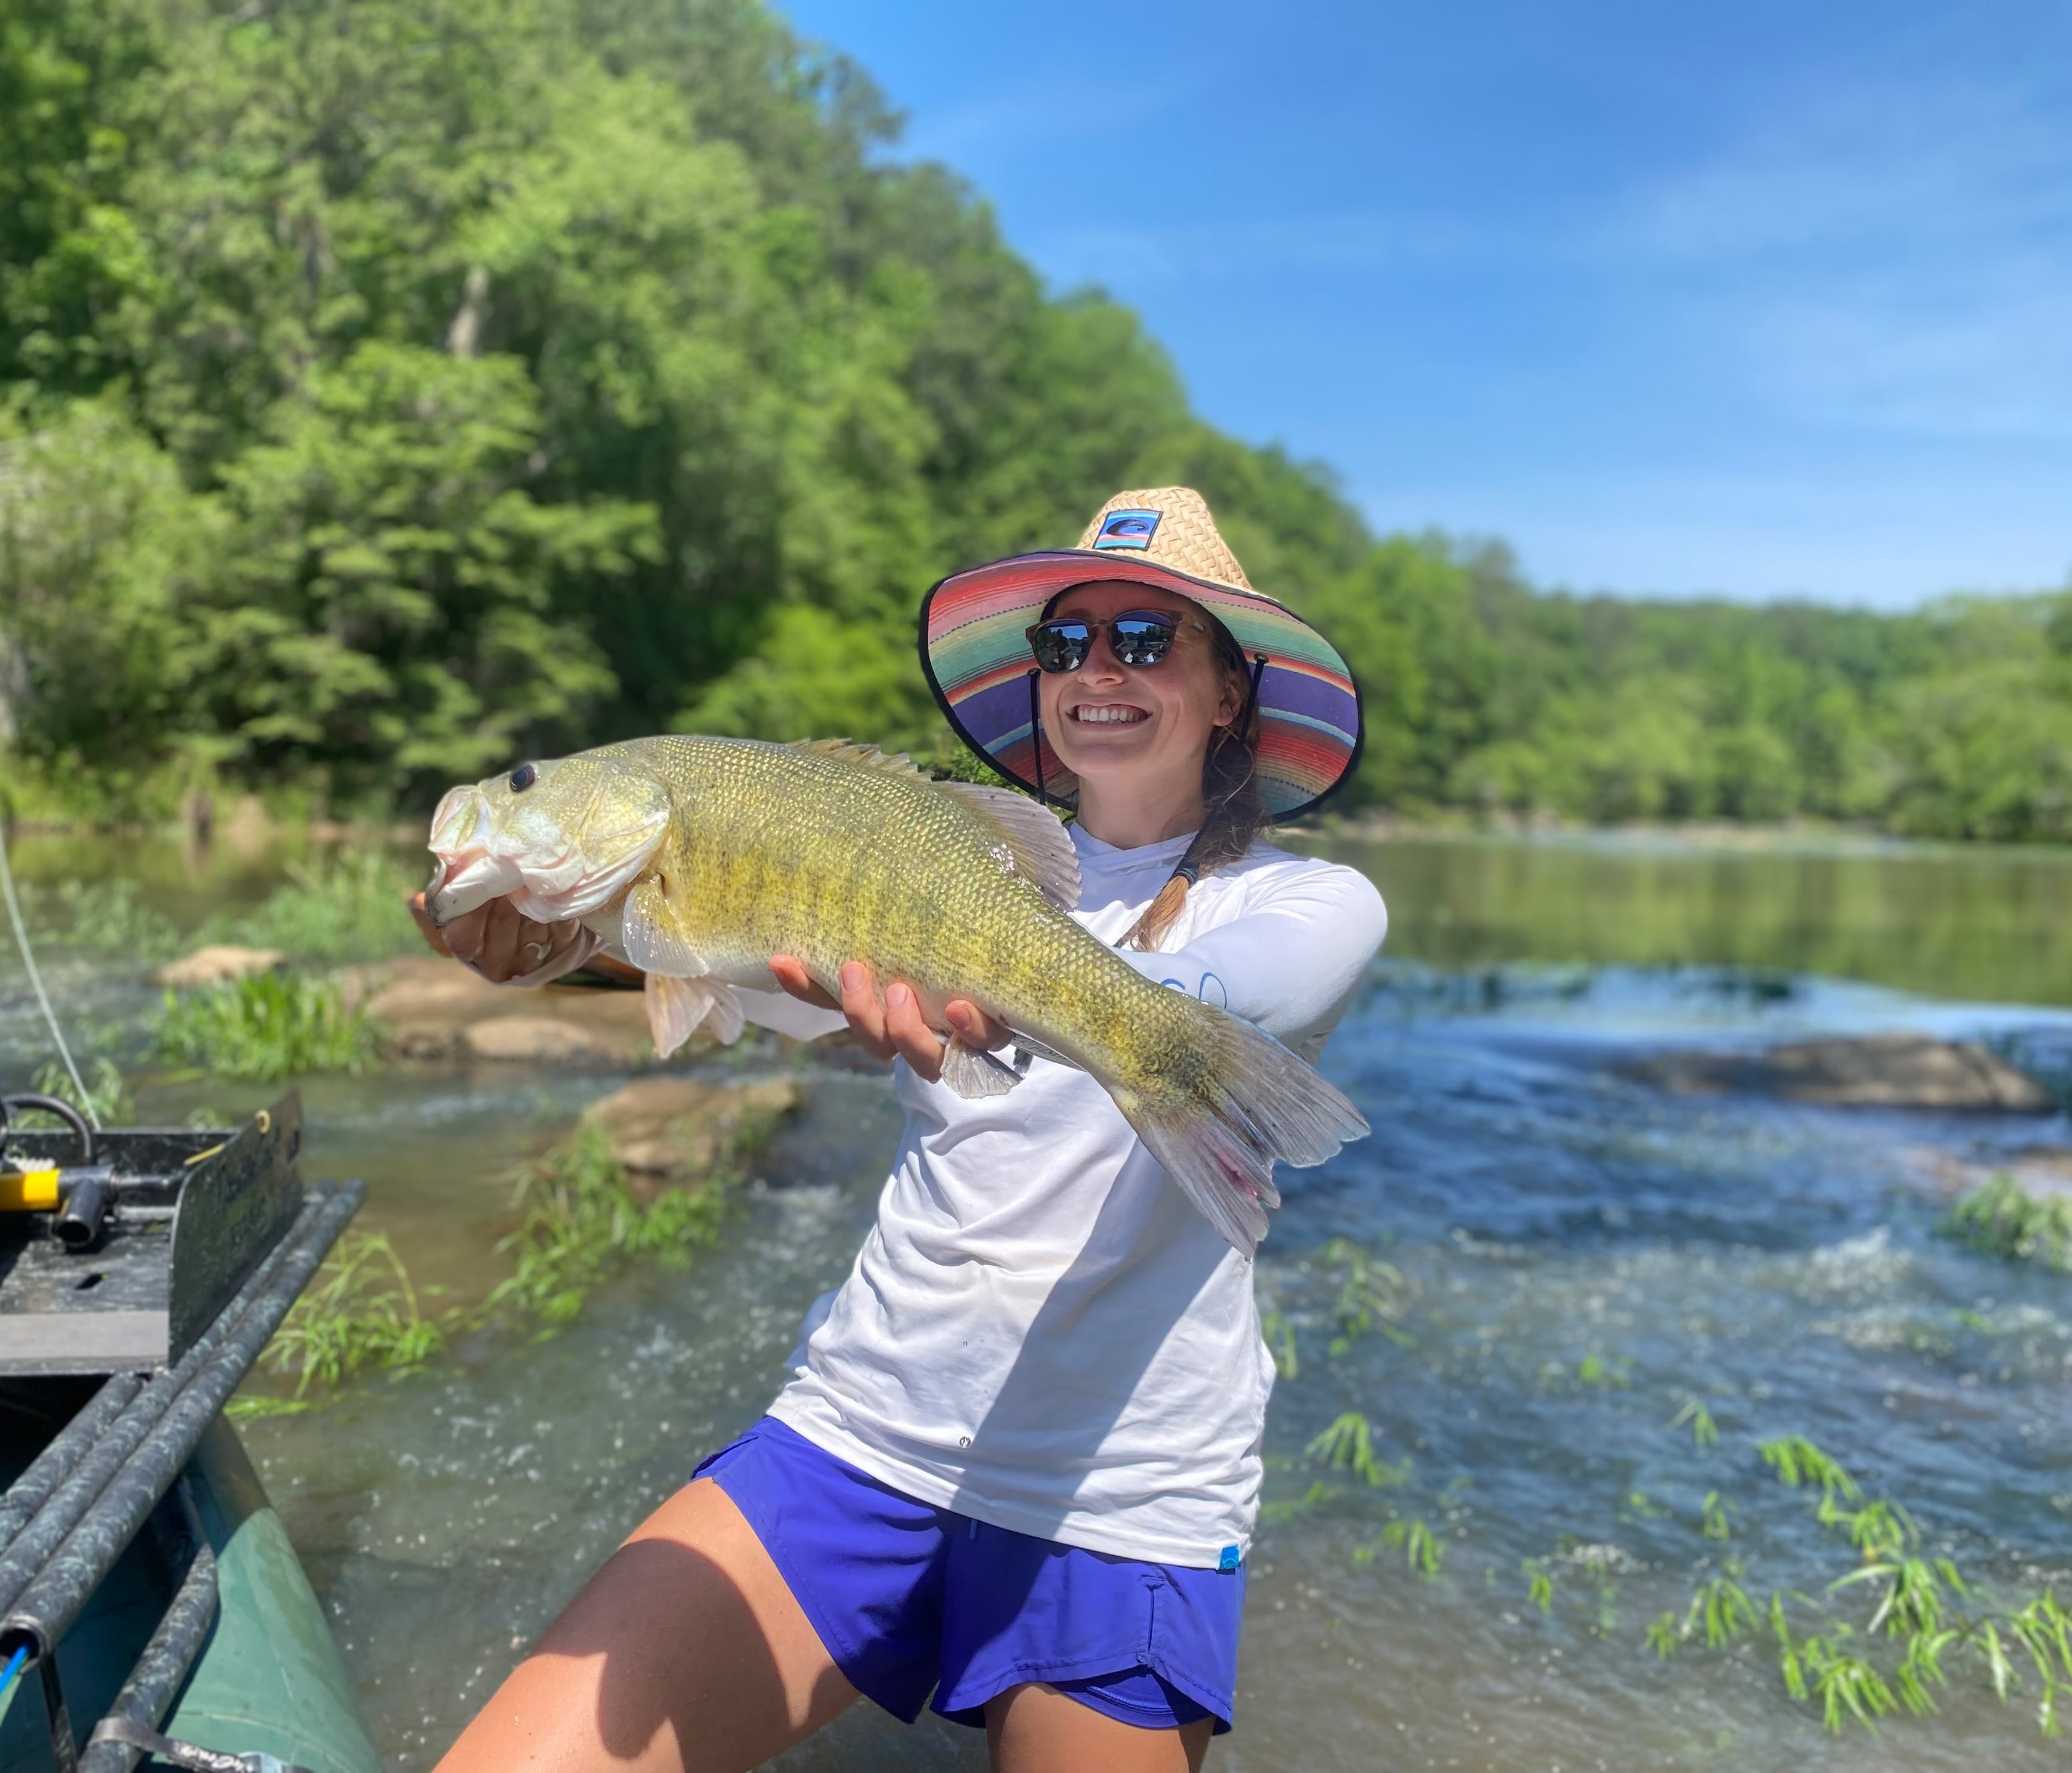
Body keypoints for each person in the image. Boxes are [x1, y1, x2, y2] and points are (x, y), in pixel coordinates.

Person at [421, 489, 1387, 1773]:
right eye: (1063, 644)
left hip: (1120, 1494)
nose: (1096, 671)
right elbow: (741, 977)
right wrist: (563, 944)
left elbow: (1223, 1003)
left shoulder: (1317, 899)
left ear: (1229, 693)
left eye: (1146, 641)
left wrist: (990, 992)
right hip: (860, 1434)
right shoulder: (968, 861)